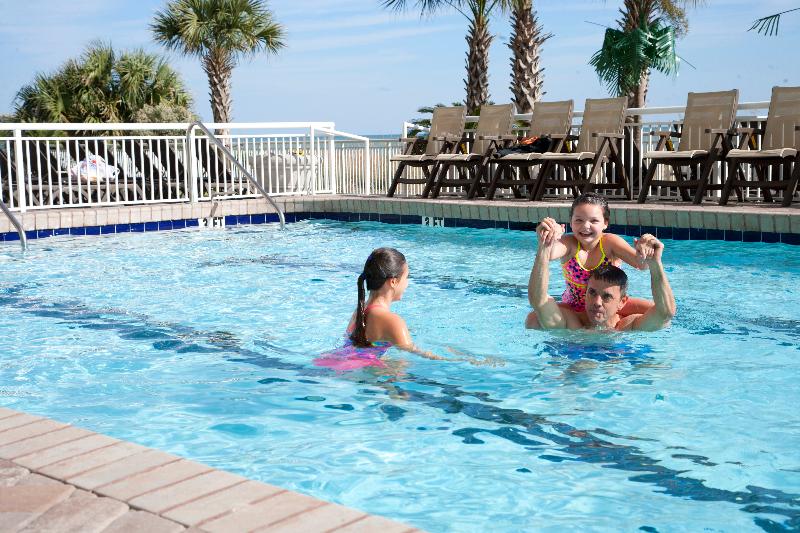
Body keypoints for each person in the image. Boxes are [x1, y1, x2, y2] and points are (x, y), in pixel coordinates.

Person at [314, 247, 496, 372]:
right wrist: (469, 361)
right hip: (370, 375)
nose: (407, 284)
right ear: (393, 281)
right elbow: (421, 355)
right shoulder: (393, 322)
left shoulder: (359, 312)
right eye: (406, 277)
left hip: (340, 364)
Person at [526, 217, 676, 332]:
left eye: (606, 296)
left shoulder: (627, 326)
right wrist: (544, 247)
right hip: (574, 356)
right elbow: (538, 300)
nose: (597, 302)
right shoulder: (572, 324)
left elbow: (665, 313)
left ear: (622, 302)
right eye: (592, 292)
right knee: (533, 319)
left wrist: (655, 264)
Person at [544, 192, 654, 317]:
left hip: (608, 306)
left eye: (594, 221)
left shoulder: (610, 243)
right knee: (535, 317)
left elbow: (642, 265)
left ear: (605, 223)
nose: (586, 226)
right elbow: (548, 254)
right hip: (575, 308)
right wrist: (550, 236)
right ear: (571, 222)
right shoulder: (568, 243)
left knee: (659, 312)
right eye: (579, 220)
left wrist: (646, 249)